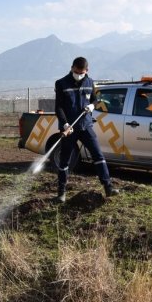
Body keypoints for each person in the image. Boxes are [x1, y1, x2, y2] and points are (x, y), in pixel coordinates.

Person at [54, 57, 119, 203]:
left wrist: (92, 106)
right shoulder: (61, 83)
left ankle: (108, 187)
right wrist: (64, 124)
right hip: (69, 128)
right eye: (76, 71)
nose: (78, 74)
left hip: (86, 126)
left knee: (98, 155)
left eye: (81, 72)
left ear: (86, 71)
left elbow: (95, 100)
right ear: (72, 68)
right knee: (65, 160)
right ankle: (61, 193)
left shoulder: (90, 83)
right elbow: (58, 107)